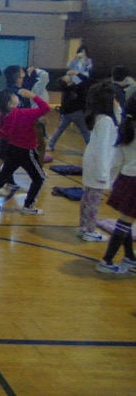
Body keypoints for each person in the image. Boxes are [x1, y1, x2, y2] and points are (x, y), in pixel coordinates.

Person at [0, 88, 49, 214]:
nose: (16, 96)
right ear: (9, 103)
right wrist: (32, 95)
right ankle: (28, 206)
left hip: (12, 149)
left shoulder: (4, 117)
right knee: (40, 178)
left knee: (2, 177)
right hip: (26, 151)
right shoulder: (23, 113)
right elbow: (45, 108)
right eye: (13, 96)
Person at [95, 94, 136, 273]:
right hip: (134, 181)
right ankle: (106, 261)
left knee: (126, 219)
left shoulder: (127, 127)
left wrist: (112, 181)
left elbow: (117, 160)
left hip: (125, 178)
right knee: (125, 221)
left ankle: (129, 257)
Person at [78, 82, 119, 242]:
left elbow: (119, 123)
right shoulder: (105, 121)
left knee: (88, 196)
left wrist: (116, 108)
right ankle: (90, 230)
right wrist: (103, 173)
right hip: (97, 163)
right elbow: (102, 148)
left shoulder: (99, 117)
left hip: (92, 161)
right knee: (94, 199)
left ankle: (83, 227)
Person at [47, 74, 91, 151]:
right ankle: (91, 147)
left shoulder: (65, 90)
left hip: (66, 114)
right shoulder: (77, 88)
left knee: (59, 129)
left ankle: (50, 145)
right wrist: (77, 73)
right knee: (85, 131)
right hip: (77, 113)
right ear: (68, 82)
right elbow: (86, 80)